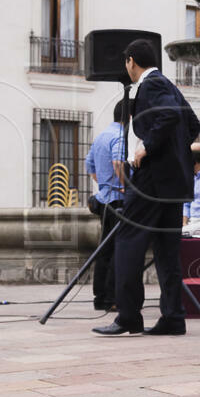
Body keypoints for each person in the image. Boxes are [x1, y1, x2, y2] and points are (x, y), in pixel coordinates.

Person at [92, 39, 200, 336]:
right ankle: (173, 317)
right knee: (166, 251)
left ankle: (128, 316)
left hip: (152, 180)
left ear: (130, 61)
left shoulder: (151, 85)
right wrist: (175, 152)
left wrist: (147, 149)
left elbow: (169, 116)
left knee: (127, 243)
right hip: (174, 181)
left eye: (126, 63)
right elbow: (192, 123)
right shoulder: (168, 84)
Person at [85, 99, 126, 311]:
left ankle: (100, 297)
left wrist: (104, 184)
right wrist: (125, 186)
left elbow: (89, 166)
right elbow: (118, 163)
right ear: (130, 118)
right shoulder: (120, 136)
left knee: (105, 250)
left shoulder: (102, 136)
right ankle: (112, 298)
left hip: (104, 199)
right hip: (118, 200)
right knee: (118, 250)